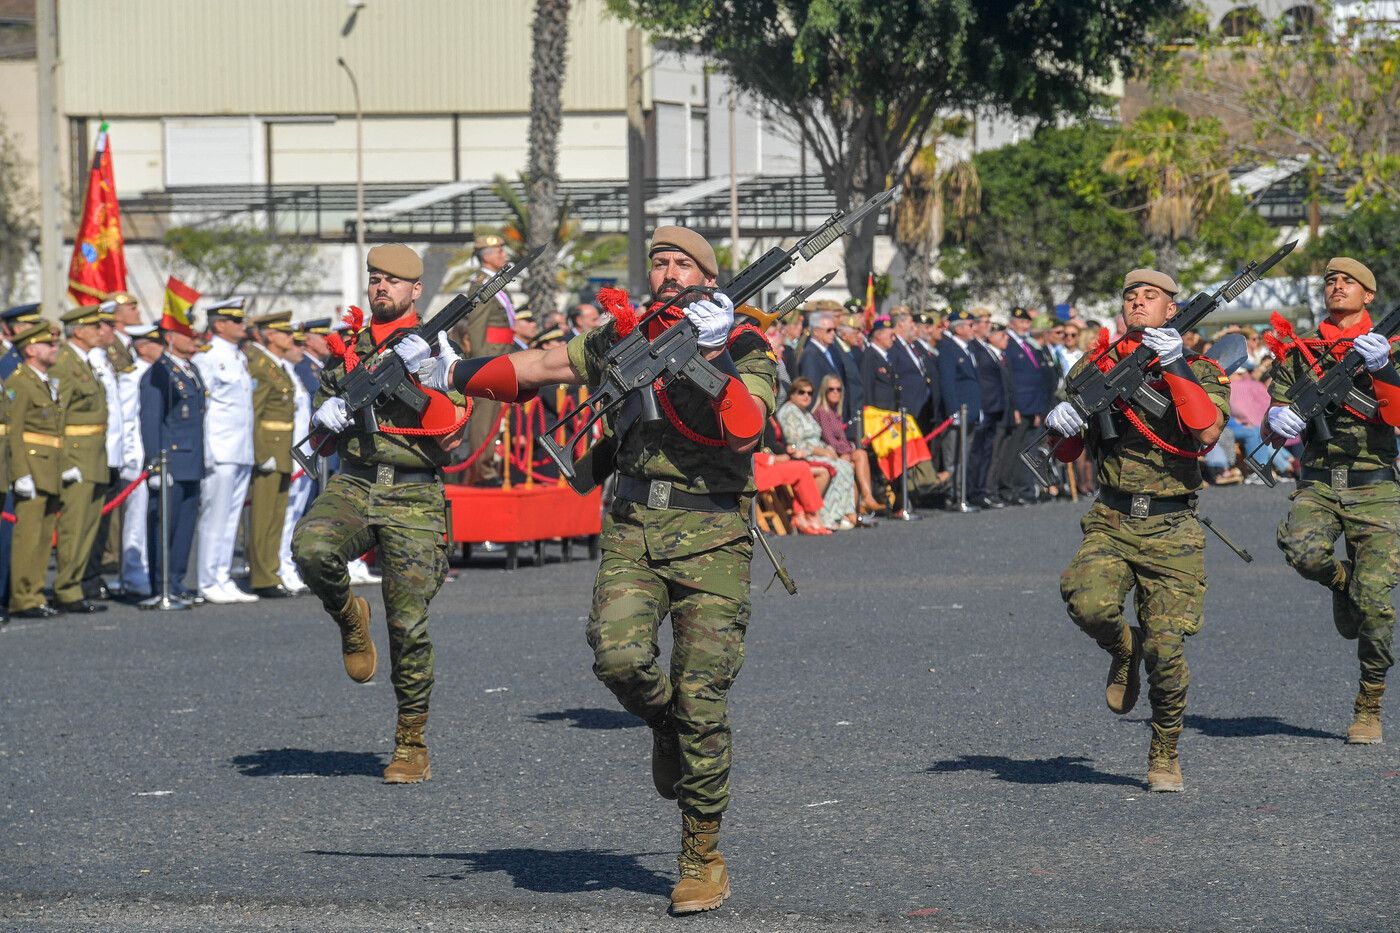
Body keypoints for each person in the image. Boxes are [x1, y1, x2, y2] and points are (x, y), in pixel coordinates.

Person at [417, 225, 775, 914]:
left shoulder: (744, 342)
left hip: (713, 534)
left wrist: (709, 354)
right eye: (660, 261)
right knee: (616, 657)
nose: (668, 271)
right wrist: (453, 371)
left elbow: (748, 425)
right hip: (636, 524)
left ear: (709, 273)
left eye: (683, 263)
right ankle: (662, 724)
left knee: (705, 697)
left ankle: (701, 853)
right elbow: (544, 367)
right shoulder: (624, 335)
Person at [1048, 269, 1228, 793]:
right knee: (1088, 604)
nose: (1138, 303)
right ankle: (1122, 648)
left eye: (1151, 297)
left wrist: (1173, 365)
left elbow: (1207, 432)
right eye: (1130, 296)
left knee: (1167, 649)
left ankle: (1165, 748)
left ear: (1172, 310)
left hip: (1172, 524)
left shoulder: (1199, 369)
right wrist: (1064, 424)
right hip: (1112, 516)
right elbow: (1070, 451)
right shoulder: (1094, 367)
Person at [292, 243, 466, 785]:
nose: (381, 287)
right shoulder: (349, 348)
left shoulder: (442, 350)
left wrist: (422, 377)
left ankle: (411, 743)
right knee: (311, 550)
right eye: (374, 278)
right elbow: (321, 437)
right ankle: (348, 615)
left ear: (416, 290)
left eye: (393, 280)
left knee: (408, 623)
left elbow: (453, 436)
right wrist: (327, 412)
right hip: (356, 482)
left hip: (414, 494)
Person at [1265, 257, 1400, 745]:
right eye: (1331, 281)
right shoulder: (1302, 352)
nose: (1337, 286)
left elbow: (1398, 414)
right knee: (1303, 552)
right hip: (1320, 481)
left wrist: (1384, 368)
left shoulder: (1391, 348)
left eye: (1350, 282)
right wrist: (1277, 421)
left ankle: (1370, 701)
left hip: (1376, 485)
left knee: (1376, 601)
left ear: (1369, 295)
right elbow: (1273, 417)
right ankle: (1341, 580)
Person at [50, 305, 115, 614]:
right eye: (94, 327)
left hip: (95, 454)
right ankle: (66, 588)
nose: (101, 331)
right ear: (78, 331)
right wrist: (64, 462)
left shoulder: (85, 362)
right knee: (74, 527)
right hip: (76, 454)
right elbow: (56, 417)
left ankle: (74, 584)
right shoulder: (65, 364)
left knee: (88, 525)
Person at [193, 297, 258, 604]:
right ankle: (208, 579)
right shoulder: (208, 357)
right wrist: (206, 451)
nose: (242, 326)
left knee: (230, 517)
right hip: (219, 449)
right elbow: (202, 407)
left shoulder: (238, 357)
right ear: (219, 324)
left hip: (240, 448)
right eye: (236, 321)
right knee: (214, 517)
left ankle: (222, 576)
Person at [140, 318, 207, 601]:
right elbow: (151, 420)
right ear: (170, 337)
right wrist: (155, 462)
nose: (193, 337)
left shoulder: (190, 370)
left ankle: (177, 582)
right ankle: (162, 585)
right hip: (171, 460)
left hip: (192, 458)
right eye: (186, 333)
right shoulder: (159, 374)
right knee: (165, 525)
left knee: (184, 527)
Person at [5, 321, 65, 618]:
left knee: (43, 538)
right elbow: (13, 431)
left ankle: (36, 592)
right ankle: (22, 597)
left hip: (50, 468)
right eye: (48, 344)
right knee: (27, 538)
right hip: (31, 467)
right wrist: (20, 473)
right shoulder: (20, 382)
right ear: (30, 349)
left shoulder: (43, 380)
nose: (55, 348)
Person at [456, 233, 518, 485]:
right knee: (486, 415)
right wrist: (481, 366)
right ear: (487, 256)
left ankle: (488, 464)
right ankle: (481, 469)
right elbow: (477, 326)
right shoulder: (482, 283)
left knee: (494, 416)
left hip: (501, 353)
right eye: (500, 251)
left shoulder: (495, 282)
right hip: (489, 357)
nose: (504, 255)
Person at [245, 312, 298, 598]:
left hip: (282, 447)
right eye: (285, 333)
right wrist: (260, 451)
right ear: (269, 336)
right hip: (269, 446)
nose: (290, 338)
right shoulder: (260, 365)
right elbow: (255, 411)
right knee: (263, 516)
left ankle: (271, 571)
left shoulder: (275, 365)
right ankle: (261, 576)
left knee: (276, 515)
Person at [117, 323, 165, 599]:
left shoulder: (156, 373)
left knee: (152, 517)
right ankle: (135, 574)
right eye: (157, 343)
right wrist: (133, 459)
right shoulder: (131, 376)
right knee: (135, 519)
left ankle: (150, 572)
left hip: (155, 456)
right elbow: (127, 420)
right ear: (142, 346)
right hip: (138, 459)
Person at [777, 378, 857, 530]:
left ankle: (839, 513)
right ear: (792, 394)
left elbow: (817, 438)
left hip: (817, 452)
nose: (806, 396)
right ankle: (827, 516)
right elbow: (794, 443)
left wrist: (828, 449)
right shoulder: (789, 412)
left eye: (810, 393)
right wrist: (820, 451)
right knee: (836, 467)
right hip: (802, 455)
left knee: (846, 466)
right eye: (801, 392)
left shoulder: (804, 412)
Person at [1002, 306, 1054, 504]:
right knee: (1013, 451)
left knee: (1027, 451)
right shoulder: (1010, 345)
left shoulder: (1027, 345)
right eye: (1020, 322)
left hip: (1033, 406)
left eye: (1026, 322)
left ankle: (1024, 489)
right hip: (1019, 405)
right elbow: (1011, 379)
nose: (1024, 326)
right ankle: (1011, 489)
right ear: (1012, 324)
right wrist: (1014, 406)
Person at [812, 373, 881, 515]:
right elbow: (829, 439)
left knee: (860, 454)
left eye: (839, 389)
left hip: (840, 452)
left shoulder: (834, 411)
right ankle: (859, 504)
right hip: (827, 452)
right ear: (824, 391)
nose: (835, 392)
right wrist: (849, 450)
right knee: (856, 459)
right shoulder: (822, 411)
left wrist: (850, 449)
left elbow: (841, 440)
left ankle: (865, 499)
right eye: (831, 389)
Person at [937, 308, 983, 510]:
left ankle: (961, 494)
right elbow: (947, 383)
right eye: (970, 325)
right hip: (957, 414)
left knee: (964, 456)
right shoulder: (949, 349)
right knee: (953, 457)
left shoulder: (966, 348)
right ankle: (952, 496)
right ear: (959, 328)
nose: (974, 329)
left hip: (970, 411)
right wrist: (953, 410)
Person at [969, 316, 1014, 509]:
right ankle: (978, 490)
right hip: (986, 406)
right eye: (984, 323)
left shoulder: (987, 350)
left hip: (996, 407)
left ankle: (983, 490)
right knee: (980, 453)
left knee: (989, 453)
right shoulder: (977, 349)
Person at [797, 311, 841, 401]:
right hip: (821, 411)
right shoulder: (810, 355)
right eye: (829, 330)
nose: (833, 333)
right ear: (816, 331)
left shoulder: (831, 350)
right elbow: (812, 389)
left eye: (834, 330)